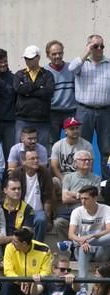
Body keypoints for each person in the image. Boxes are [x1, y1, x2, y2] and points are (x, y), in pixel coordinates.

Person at [69, 34, 110, 179]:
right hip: (84, 110)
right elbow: (71, 69)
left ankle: (107, 184)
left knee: (107, 149)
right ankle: (81, 182)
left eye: (102, 46)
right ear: (89, 47)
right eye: (95, 46)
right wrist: (87, 52)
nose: (99, 49)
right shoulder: (81, 64)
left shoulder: (108, 64)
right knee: (81, 148)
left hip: (105, 112)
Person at [0, 177, 35, 276]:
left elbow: (27, 233)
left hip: (14, 243)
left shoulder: (27, 209)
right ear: (5, 190)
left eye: (19, 189)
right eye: (13, 189)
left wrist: (7, 239)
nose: (17, 191)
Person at [0, 227, 52, 295]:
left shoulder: (44, 249)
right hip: (18, 285)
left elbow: (46, 272)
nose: (12, 242)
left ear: (24, 243)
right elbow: (8, 271)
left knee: (48, 285)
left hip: (37, 285)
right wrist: (20, 281)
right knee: (6, 284)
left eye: (15, 241)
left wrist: (32, 281)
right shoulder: (10, 248)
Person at [68, 185, 110, 295]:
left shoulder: (106, 209)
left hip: (101, 249)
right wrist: (81, 241)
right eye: (81, 198)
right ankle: (83, 288)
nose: (83, 201)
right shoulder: (77, 211)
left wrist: (89, 238)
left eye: (86, 198)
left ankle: (75, 244)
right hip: (83, 249)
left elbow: (109, 229)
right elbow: (71, 234)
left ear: (95, 198)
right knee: (82, 247)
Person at [13, 45, 55, 149]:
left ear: (38, 58)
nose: (28, 61)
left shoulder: (47, 74)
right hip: (23, 118)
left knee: (42, 150)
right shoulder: (19, 74)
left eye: (31, 59)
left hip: (42, 120)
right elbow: (19, 89)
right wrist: (38, 87)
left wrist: (28, 91)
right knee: (19, 149)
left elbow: (48, 92)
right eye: (26, 59)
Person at [54, 150, 100, 242]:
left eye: (89, 160)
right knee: (58, 223)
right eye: (83, 160)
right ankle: (68, 248)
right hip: (71, 211)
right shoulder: (68, 177)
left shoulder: (96, 178)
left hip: (89, 212)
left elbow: (94, 198)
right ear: (75, 162)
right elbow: (65, 199)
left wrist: (74, 194)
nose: (87, 162)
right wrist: (85, 197)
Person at [10, 150, 54, 242]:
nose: (36, 161)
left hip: (38, 211)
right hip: (21, 210)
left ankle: (38, 245)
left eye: (37, 158)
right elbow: (10, 193)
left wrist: (48, 218)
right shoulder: (16, 173)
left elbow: (48, 198)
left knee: (41, 219)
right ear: (24, 161)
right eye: (32, 158)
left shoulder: (44, 173)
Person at [43, 40, 77, 145]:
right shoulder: (44, 72)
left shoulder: (72, 68)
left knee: (73, 143)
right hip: (53, 113)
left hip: (71, 112)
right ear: (48, 55)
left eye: (60, 53)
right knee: (53, 143)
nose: (57, 56)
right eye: (54, 54)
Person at [50, 117, 93, 189]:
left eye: (77, 128)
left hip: (81, 178)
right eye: (72, 129)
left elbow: (89, 167)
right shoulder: (58, 145)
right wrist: (63, 180)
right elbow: (54, 166)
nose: (75, 131)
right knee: (54, 181)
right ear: (65, 131)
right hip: (63, 177)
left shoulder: (86, 145)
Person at [0, 48, 17, 157]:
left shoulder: (14, 78)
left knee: (9, 155)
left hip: (10, 123)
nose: (3, 64)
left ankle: (8, 175)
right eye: (0, 62)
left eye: (5, 61)